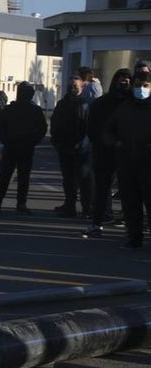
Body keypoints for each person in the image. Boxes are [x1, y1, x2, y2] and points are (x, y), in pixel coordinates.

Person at [104, 69, 151, 250]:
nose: (141, 89)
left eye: (145, 86)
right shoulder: (125, 108)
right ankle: (134, 238)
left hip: (148, 164)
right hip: (127, 164)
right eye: (138, 86)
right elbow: (108, 130)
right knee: (131, 205)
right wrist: (115, 143)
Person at [83, 69, 131, 237]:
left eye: (127, 81)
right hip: (104, 152)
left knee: (129, 191)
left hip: (128, 153)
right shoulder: (102, 103)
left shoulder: (133, 104)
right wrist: (103, 142)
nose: (124, 84)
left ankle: (132, 226)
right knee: (102, 189)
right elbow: (92, 127)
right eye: (121, 81)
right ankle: (97, 222)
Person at [0, 82, 47, 214]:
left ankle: (10, 203)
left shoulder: (32, 110)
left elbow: (41, 129)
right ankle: (7, 202)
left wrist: (32, 141)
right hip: (14, 146)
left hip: (22, 146)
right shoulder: (12, 109)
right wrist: (5, 139)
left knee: (16, 176)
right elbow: (1, 126)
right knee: (11, 176)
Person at [50, 72, 93, 218]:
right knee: (68, 180)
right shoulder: (62, 103)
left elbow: (89, 128)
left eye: (75, 85)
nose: (72, 87)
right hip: (64, 147)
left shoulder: (85, 104)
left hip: (81, 149)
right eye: (70, 85)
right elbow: (55, 123)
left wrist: (83, 144)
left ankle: (87, 208)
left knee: (84, 180)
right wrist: (55, 141)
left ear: (81, 86)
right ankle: (70, 206)